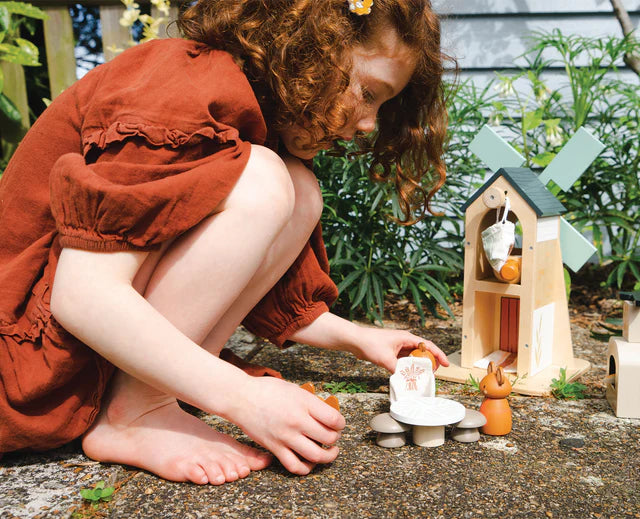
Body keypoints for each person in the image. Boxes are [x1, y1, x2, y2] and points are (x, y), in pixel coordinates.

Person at [0, 0, 451, 484]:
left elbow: (226, 281)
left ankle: (151, 398)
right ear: (313, 48)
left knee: (299, 190)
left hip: (84, 351)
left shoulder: (247, 120)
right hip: (25, 363)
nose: (368, 124)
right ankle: (136, 411)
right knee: (265, 179)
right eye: (368, 93)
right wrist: (241, 395)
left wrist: (359, 339)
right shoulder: (178, 83)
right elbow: (84, 294)